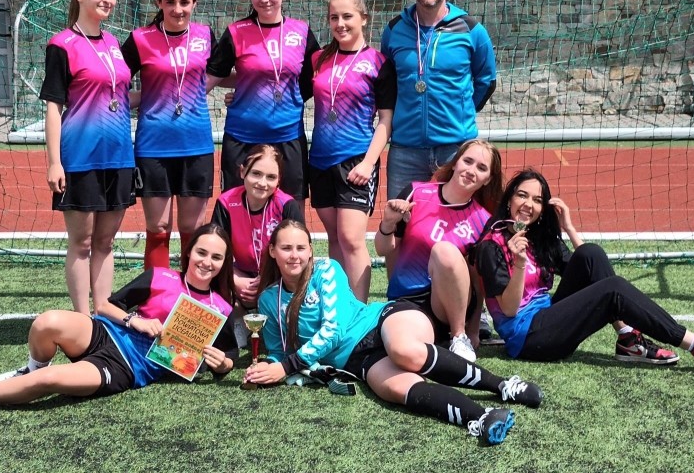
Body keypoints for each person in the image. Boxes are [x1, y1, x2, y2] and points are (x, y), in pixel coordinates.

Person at [244, 220, 542, 446]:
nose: (294, 255)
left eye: (300, 248)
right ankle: (480, 417)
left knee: (403, 351)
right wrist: (265, 367)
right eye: (286, 248)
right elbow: (279, 350)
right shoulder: (269, 299)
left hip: (381, 321)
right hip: (356, 362)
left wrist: (286, 367)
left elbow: (333, 330)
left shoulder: (326, 270)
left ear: (311, 249)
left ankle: (504, 385)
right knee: (398, 390)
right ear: (272, 251)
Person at [0, 224, 240, 414]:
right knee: (47, 322)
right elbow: (105, 306)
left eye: (216, 257)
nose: (206, 262)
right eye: (201, 252)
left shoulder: (221, 309)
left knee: (50, 381)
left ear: (224, 262)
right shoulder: (160, 276)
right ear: (189, 252)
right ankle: (31, 368)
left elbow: (228, 357)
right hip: (105, 332)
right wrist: (134, 321)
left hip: (126, 368)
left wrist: (222, 364)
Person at [473, 169, 694, 372]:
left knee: (591, 252)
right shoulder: (491, 246)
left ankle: (628, 338)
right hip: (527, 338)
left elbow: (588, 269)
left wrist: (569, 228)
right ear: (509, 199)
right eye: (522, 195)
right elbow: (509, 310)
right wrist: (520, 262)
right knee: (613, 290)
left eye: (536, 200)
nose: (528, 204)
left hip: (548, 316)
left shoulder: (538, 238)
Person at [38, 0, 135, 315]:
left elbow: (119, 96)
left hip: (120, 156)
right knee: (82, 243)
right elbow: (53, 106)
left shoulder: (113, 43)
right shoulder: (61, 44)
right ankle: (82, 319)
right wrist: (54, 162)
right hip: (81, 157)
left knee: (106, 242)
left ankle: (102, 311)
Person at [380, 0, 497, 200]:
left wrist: (460, 112)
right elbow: (387, 84)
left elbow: (486, 81)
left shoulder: (472, 30)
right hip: (406, 149)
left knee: (458, 216)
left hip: (456, 149)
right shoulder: (394, 30)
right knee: (399, 218)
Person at [121, 0, 217, 269]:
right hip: (154, 148)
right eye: (170, 2)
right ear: (159, 2)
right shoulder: (140, 39)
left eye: (184, 2)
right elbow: (113, 82)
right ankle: (158, 293)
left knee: (193, 229)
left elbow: (227, 72)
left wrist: (238, 93)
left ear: (195, 3)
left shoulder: (205, 35)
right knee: (158, 228)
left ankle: (193, 292)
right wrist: (140, 98)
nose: (178, 9)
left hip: (196, 146)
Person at [374, 139, 502, 363]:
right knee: (400, 352)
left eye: (481, 168)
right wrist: (388, 223)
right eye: (467, 161)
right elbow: (382, 249)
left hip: (447, 306)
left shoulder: (484, 221)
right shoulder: (416, 193)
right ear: (456, 162)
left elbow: (477, 278)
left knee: (444, 251)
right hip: (408, 299)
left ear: (488, 179)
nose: (471, 171)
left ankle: (458, 336)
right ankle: (438, 340)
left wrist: (473, 329)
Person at [206, 0, 320, 212]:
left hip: (288, 137)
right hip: (243, 138)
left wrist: (292, 99)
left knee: (292, 216)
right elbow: (210, 78)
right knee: (237, 212)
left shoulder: (301, 32)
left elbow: (316, 78)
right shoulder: (236, 32)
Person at [309, 0, 395, 301]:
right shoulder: (318, 58)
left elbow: (386, 120)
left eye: (347, 16)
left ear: (363, 18)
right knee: (334, 238)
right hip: (320, 160)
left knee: (351, 239)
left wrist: (368, 163)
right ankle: (339, 306)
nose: (340, 24)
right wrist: (237, 93)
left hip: (356, 160)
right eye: (334, 17)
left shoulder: (378, 62)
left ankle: (358, 312)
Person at [211, 144, 304, 312]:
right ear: (242, 172)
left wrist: (269, 280)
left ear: (278, 180)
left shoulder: (286, 205)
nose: (262, 183)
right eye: (256, 174)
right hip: (241, 276)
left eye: (271, 177)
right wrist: (235, 278)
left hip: (279, 275)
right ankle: (235, 320)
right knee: (208, 273)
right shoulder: (226, 203)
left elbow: (300, 254)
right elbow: (214, 250)